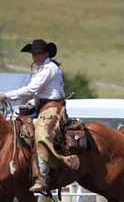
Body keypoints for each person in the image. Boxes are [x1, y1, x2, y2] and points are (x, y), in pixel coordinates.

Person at [0, 39, 78, 193]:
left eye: (38, 54)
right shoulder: (41, 69)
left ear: (46, 54)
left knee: (41, 135)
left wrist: (6, 95)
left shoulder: (49, 69)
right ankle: (25, 170)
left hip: (53, 108)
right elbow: (36, 93)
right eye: (33, 54)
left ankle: (42, 176)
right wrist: (29, 104)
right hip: (41, 107)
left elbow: (31, 89)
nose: (35, 57)